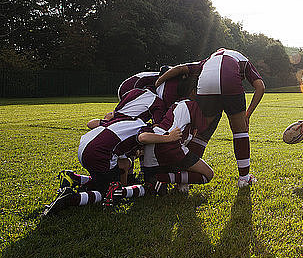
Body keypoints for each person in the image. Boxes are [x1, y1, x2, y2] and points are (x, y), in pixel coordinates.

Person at [155, 48, 265, 188]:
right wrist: (247, 115)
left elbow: (180, 68)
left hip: (206, 83)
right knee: (240, 131)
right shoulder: (241, 58)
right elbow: (260, 87)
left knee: (202, 132)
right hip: (231, 81)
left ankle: (184, 181)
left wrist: (158, 81)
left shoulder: (208, 60)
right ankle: (244, 178)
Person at [44, 114, 176, 215]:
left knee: (104, 180)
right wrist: (168, 138)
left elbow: (123, 160)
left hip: (85, 146)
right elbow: (143, 138)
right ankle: (71, 198)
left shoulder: (127, 120)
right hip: (99, 153)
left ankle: (74, 178)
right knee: (109, 193)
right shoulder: (145, 128)